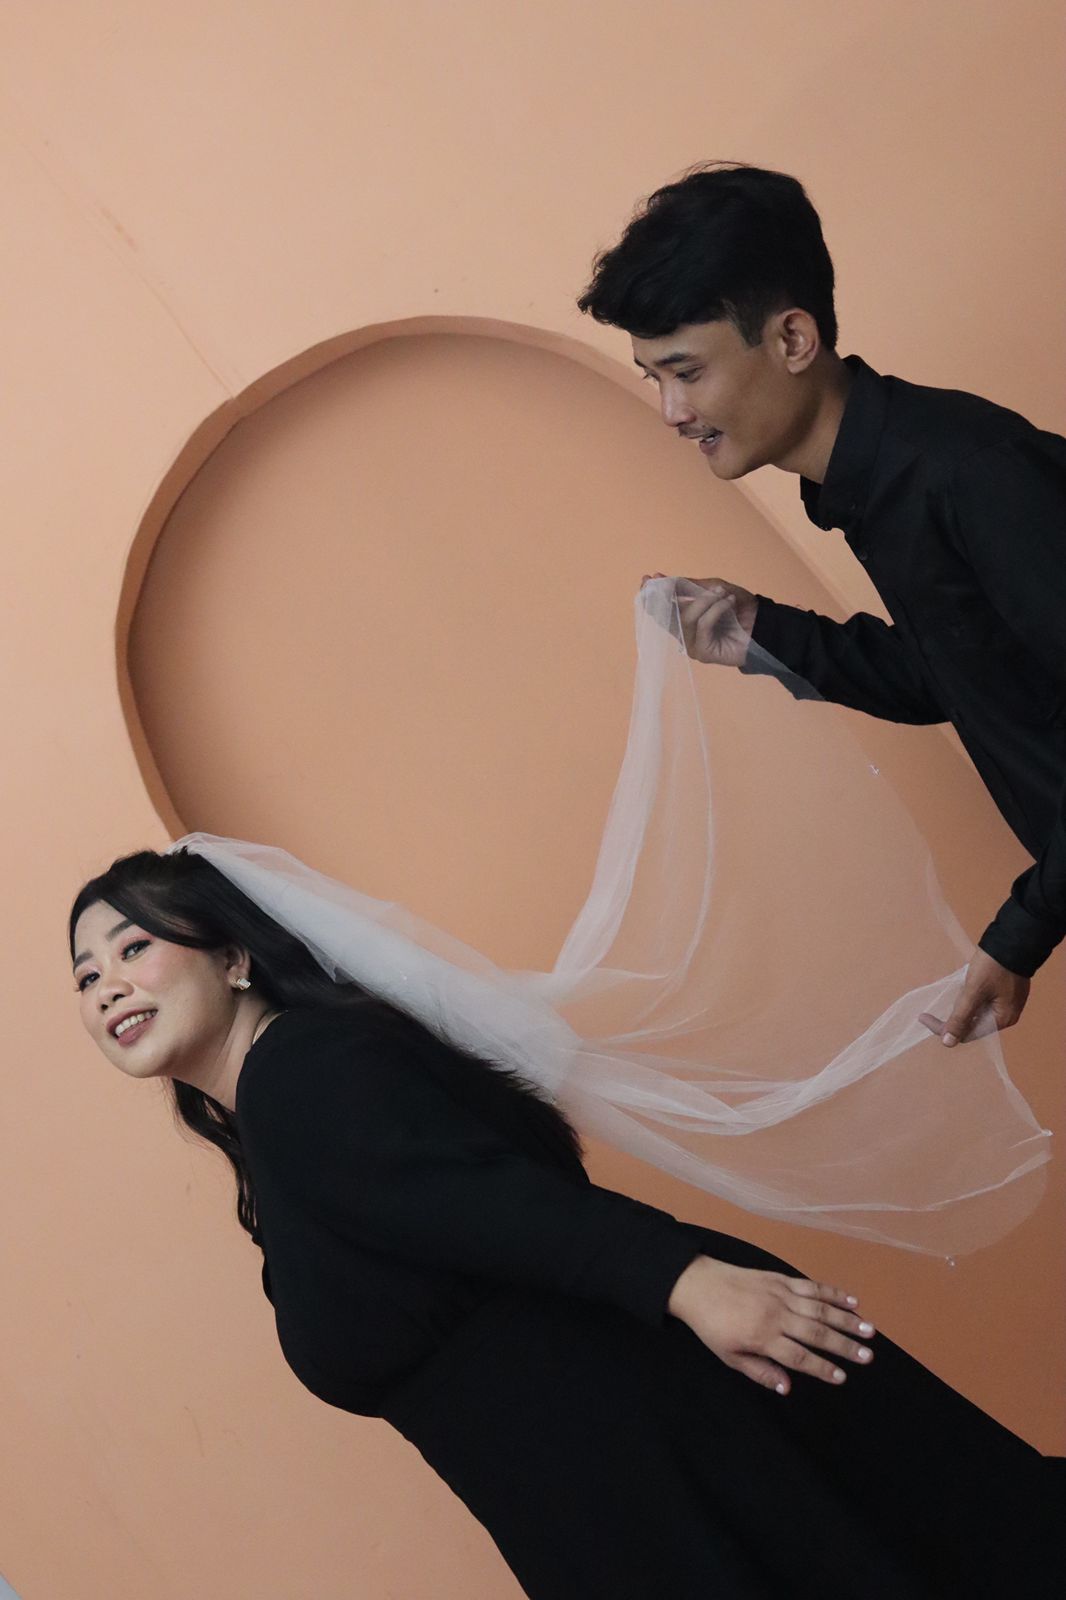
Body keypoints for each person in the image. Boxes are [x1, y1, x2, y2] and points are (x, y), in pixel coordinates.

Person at [69, 843, 1061, 1598]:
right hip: (614, 1487)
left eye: (133, 946)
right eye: (84, 975)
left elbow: (489, 1200)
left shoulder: (298, 1071)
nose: (107, 982)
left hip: (661, 1448)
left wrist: (685, 1280)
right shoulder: (275, 1123)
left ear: (233, 955)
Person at [577, 162, 1066, 1051]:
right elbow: (964, 677)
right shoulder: (881, 488)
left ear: (793, 338)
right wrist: (763, 635)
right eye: (654, 379)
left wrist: (1019, 932)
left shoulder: (968, 470)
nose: (672, 412)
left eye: (686, 371)